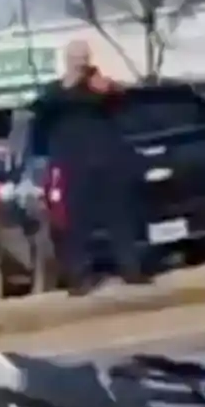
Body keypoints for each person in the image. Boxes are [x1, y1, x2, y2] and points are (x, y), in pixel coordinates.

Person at [36, 39, 149, 295]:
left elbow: (123, 102)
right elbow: (42, 110)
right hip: (73, 165)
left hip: (108, 161)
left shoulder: (99, 87)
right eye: (77, 57)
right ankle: (79, 277)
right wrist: (70, 84)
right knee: (76, 224)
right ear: (67, 60)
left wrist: (110, 89)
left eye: (85, 57)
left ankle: (130, 268)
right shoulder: (55, 92)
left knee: (120, 217)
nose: (82, 62)